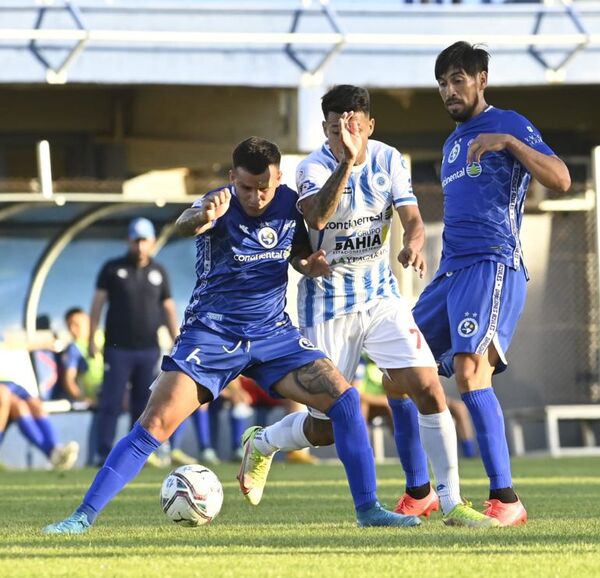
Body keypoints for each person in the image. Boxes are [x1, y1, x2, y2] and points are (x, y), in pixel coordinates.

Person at [43, 137, 422, 535]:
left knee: (344, 398)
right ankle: (81, 517)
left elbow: (297, 254)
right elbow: (186, 223)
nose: (256, 197)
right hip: (212, 334)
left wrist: (309, 264)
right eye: (246, 188)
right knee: (154, 423)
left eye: (264, 187)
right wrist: (203, 214)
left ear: (277, 177)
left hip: (272, 333)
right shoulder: (218, 203)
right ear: (231, 179)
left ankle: (368, 510)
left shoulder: (289, 204)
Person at [237, 86, 497, 528]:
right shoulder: (313, 167)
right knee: (328, 426)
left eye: (355, 125)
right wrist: (345, 161)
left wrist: (414, 246)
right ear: (325, 129)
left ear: (370, 125)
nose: (346, 134)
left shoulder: (389, 159)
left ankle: (451, 501)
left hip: (380, 298)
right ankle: (263, 442)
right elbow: (318, 217)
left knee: (429, 387)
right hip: (328, 307)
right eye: (336, 127)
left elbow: (411, 220)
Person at [398, 41, 571, 526]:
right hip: (451, 272)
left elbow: (560, 179)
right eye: (442, 83)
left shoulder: (509, 123)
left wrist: (511, 144)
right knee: (399, 369)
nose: (449, 91)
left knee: (472, 371)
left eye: (458, 79)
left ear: (481, 79)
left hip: (493, 263)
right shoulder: (452, 144)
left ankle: (506, 498)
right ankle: (420, 493)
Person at [89, 216, 179, 465]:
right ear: (128, 240)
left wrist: (177, 339)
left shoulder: (159, 271)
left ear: (151, 242)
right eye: (135, 241)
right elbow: (97, 303)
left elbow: (168, 307)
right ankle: (103, 452)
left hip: (148, 348)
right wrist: (91, 336)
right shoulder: (112, 268)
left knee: (143, 402)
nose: (140, 246)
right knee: (111, 401)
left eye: (144, 241)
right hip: (118, 349)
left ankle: (133, 455)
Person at [0, 381, 79, 470]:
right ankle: (53, 453)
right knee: (5, 395)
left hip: (9, 383)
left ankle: (54, 451)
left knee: (35, 405)